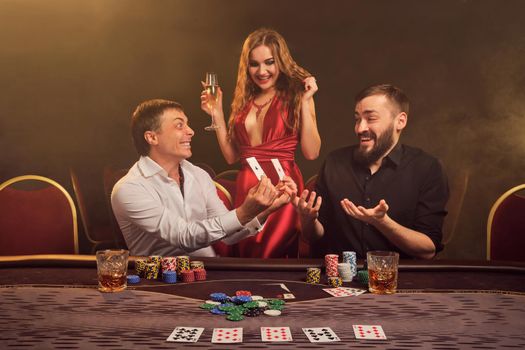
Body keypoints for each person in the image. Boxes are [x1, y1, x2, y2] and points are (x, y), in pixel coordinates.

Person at [111, 99, 297, 257]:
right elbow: (184, 237)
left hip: (211, 272)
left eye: (187, 124)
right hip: (161, 283)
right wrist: (244, 211)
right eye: (179, 125)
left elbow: (229, 235)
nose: (191, 131)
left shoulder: (198, 175)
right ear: (152, 138)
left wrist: (267, 209)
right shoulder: (129, 188)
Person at [200, 28, 321, 258]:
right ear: (246, 66)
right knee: (245, 250)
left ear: (280, 62)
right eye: (254, 64)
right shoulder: (244, 101)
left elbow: (312, 152)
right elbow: (231, 156)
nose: (262, 71)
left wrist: (306, 102)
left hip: (283, 185)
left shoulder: (296, 97)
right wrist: (216, 113)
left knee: (269, 253)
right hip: (248, 187)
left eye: (269, 62)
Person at [296, 84, 448, 259]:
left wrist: (382, 222)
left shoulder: (427, 168)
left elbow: (428, 250)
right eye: (357, 119)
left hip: (398, 282)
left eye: (371, 118)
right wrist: (308, 220)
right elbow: (314, 235)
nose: (360, 128)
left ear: (400, 121)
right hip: (337, 281)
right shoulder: (334, 162)